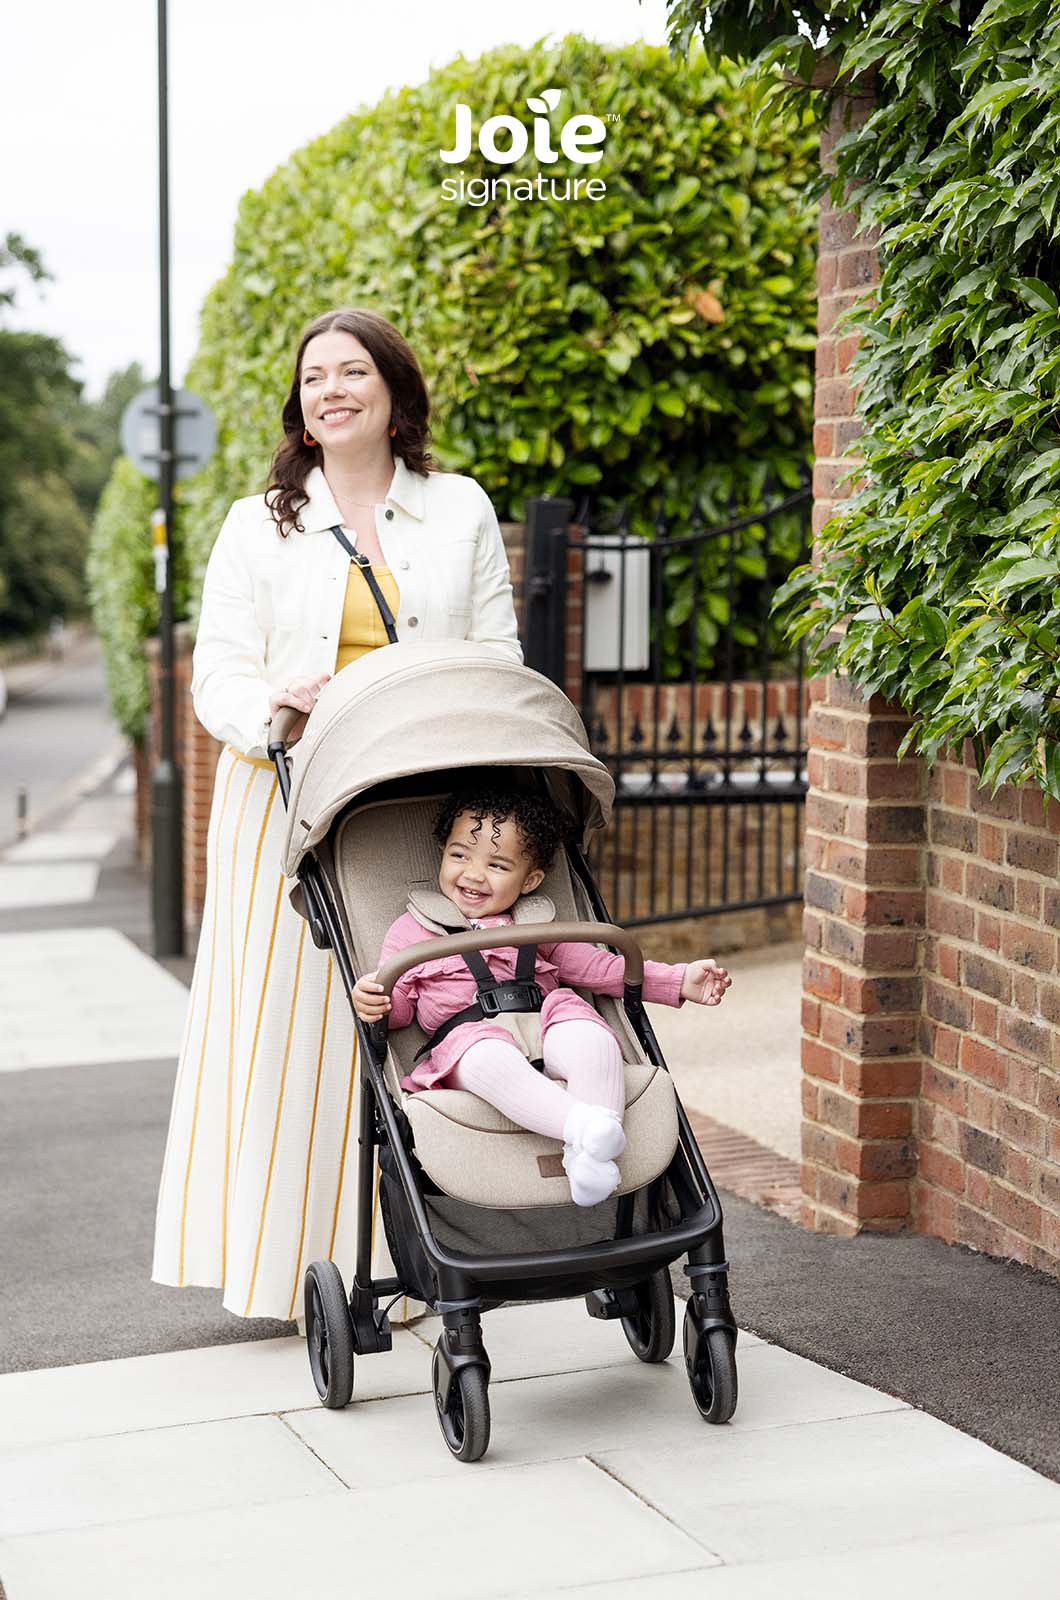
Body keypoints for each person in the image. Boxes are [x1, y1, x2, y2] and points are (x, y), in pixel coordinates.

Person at [152, 308, 521, 1322]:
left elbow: (500, 651)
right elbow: (214, 672)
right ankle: (289, 1266)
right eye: (314, 377)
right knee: (290, 1033)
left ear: (395, 394)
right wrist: (274, 707)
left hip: (413, 802)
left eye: (353, 370)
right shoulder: (254, 524)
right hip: (284, 804)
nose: (332, 389)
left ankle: (414, 1252)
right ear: (300, 410)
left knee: (407, 1016)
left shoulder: (459, 508)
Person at [353, 787, 732, 1207]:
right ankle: (585, 1125)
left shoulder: (537, 923)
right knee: (486, 1057)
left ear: (529, 880)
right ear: (442, 854)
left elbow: (601, 968)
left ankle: (589, 1153)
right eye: (460, 856)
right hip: (468, 1036)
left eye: (497, 864)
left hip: (545, 1015)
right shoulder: (411, 931)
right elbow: (401, 1009)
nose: (474, 874)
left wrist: (678, 980)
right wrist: (375, 1000)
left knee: (594, 1038)